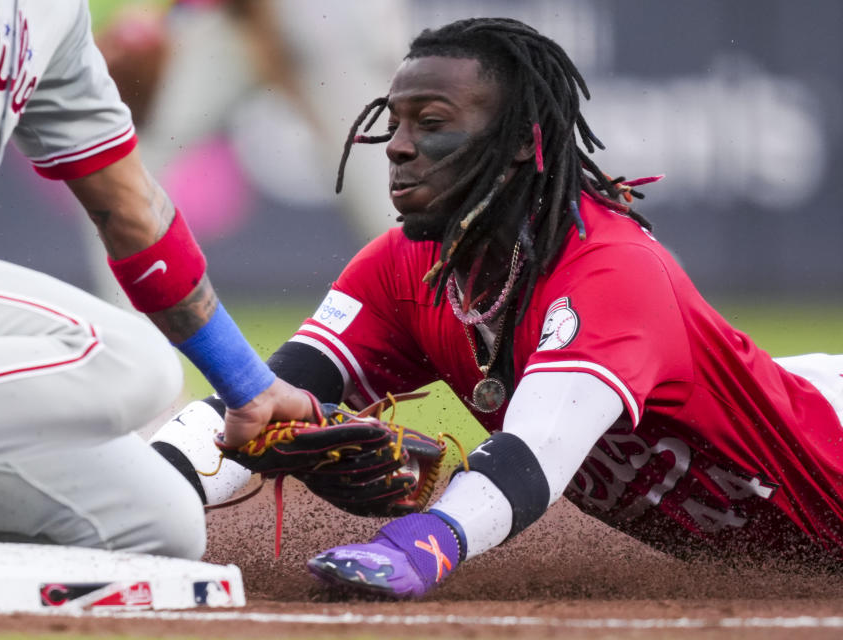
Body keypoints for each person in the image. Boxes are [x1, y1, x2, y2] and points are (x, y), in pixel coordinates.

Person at [167, 17, 843, 596]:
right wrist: (150, 486)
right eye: (393, 121)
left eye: (431, 123)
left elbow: (532, 454)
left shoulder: (610, 272)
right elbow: (261, 397)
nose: (398, 146)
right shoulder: (400, 267)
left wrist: (418, 546)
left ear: (523, 139)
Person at [0, 0, 310, 557]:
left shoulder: (54, 11)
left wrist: (249, 384)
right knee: (127, 360)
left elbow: (131, 206)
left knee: (155, 524)